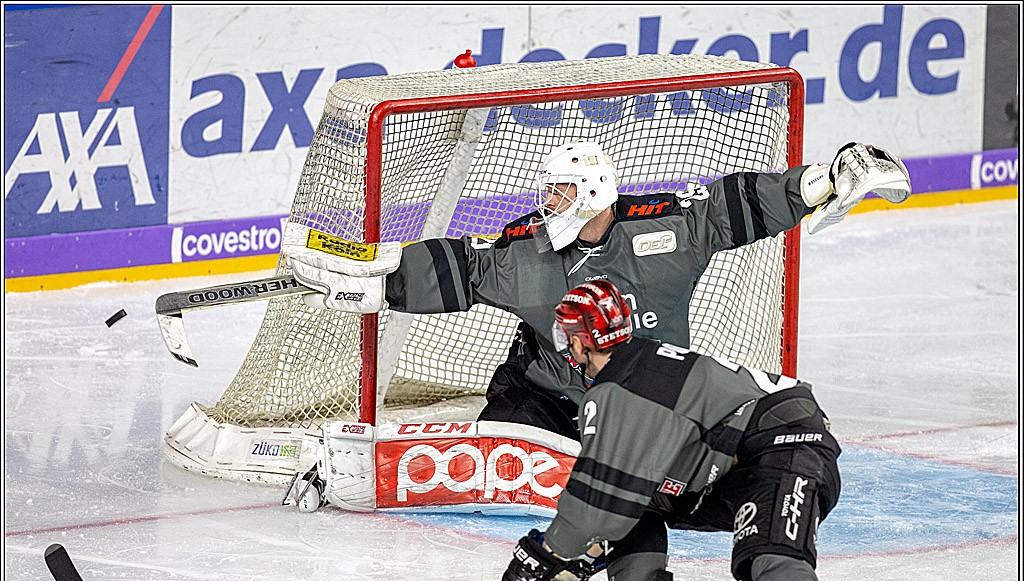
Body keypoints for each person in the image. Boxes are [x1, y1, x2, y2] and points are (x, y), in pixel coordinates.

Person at [284, 141, 911, 441]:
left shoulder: (666, 230)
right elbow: (465, 268)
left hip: (646, 394)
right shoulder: (529, 249)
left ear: (591, 194)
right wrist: (380, 277)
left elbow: (730, 208)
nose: (548, 202)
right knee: (503, 450)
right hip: (548, 393)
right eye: (548, 190)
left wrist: (820, 182)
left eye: (560, 191)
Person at [499, 279, 869, 581]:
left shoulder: (619, 391)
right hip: (742, 464)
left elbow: (594, 506)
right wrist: (580, 559)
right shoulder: (641, 365)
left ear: (580, 341)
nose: (566, 347)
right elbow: (619, 497)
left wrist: (544, 556)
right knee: (639, 498)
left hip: (785, 451)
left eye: (566, 337)